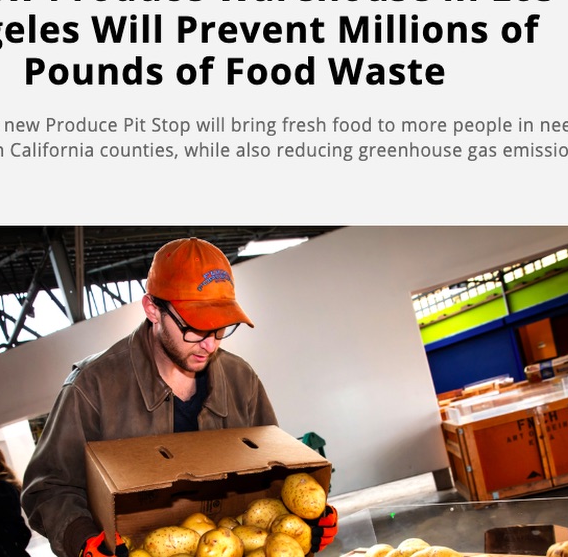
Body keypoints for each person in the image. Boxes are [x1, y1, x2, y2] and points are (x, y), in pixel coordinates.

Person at [21, 238, 338, 557]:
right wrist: (83, 540)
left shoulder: (241, 380)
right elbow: (47, 488)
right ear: (153, 309)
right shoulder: (92, 387)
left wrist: (304, 520)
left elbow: (276, 474)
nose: (210, 345)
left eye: (220, 328)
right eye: (195, 328)